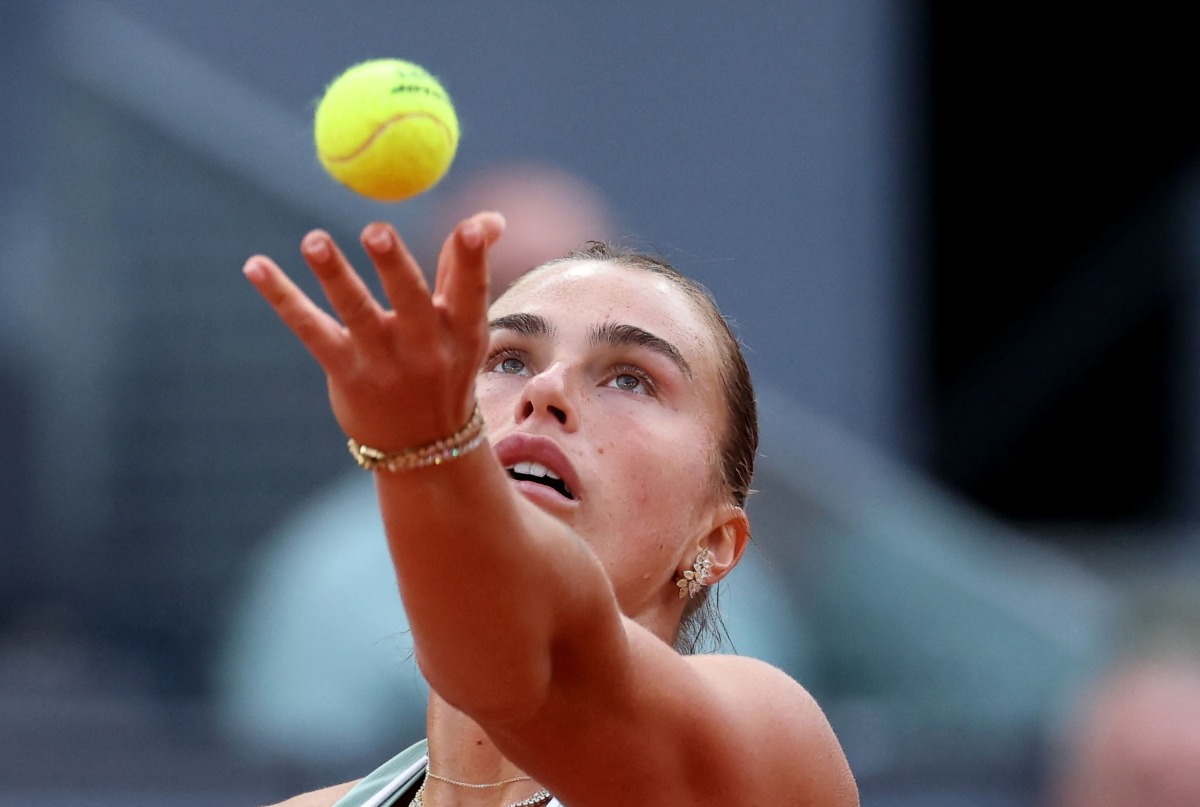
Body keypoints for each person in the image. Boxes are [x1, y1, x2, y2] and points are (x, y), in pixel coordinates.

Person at [241, 213, 858, 805]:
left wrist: (423, 450)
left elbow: (533, 652)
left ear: (716, 540)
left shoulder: (772, 754)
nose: (546, 389)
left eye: (630, 378)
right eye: (508, 360)